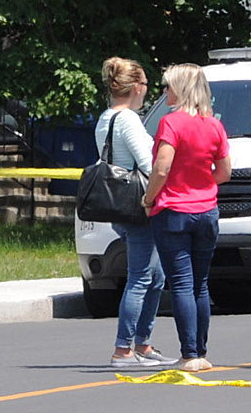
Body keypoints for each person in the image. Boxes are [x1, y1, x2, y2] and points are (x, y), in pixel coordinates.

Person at [141, 62, 231, 373]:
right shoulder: (214, 125)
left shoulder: (171, 123)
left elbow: (162, 167)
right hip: (207, 211)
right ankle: (201, 351)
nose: (164, 91)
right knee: (200, 284)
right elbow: (224, 172)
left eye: (167, 86)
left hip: (174, 210)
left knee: (180, 283)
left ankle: (189, 353)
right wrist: (201, 182)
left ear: (180, 89)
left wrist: (149, 198)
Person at [97, 57, 166, 367]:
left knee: (156, 276)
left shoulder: (106, 118)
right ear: (137, 87)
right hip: (138, 205)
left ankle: (143, 344)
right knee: (140, 277)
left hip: (118, 204)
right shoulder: (128, 120)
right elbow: (149, 164)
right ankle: (124, 348)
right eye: (146, 86)